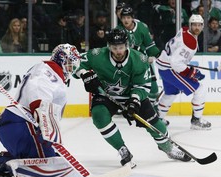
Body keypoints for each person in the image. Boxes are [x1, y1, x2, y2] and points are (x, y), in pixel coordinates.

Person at [73, 29, 191, 168]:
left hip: (131, 96)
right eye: (114, 47)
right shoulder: (97, 55)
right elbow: (74, 62)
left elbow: (143, 85)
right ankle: (122, 149)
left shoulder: (139, 59)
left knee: (154, 123)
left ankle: (167, 147)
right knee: (99, 116)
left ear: (127, 45)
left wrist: (134, 100)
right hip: (105, 96)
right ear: (109, 46)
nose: (118, 51)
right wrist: (84, 74)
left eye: (121, 47)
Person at [0, 44, 81, 177]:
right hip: (23, 126)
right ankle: (4, 173)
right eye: (68, 63)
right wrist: (41, 115)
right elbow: (36, 89)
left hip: (14, 126)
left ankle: (0, 164)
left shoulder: (48, 71)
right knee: (48, 164)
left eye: (72, 65)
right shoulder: (47, 73)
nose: (70, 69)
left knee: (53, 158)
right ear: (60, 60)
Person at [156, 14, 211, 130]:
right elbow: (176, 63)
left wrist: (186, 65)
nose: (197, 27)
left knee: (171, 93)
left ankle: (158, 119)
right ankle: (196, 121)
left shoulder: (184, 30)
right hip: (170, 68)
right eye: (194, 25)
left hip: (163, 64)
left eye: (199, 25)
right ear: (190, 25)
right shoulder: (189, 42)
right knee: (199, 89)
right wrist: (191, 72)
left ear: (203, 26)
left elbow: (176, 54)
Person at [115, 6, 161, 111]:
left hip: (143, 62)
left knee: (153, 89)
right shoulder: (118, 31)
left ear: (132, 18)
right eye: (123, 18)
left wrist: (157, 55)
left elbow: (149, 45)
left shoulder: (141, 27)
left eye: (128, 17)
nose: (126, 20)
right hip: (127, 64)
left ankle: (153, 111)